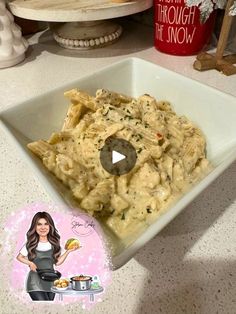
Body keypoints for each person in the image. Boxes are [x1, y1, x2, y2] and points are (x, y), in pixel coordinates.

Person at [16, 211, 79, 301]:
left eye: (46, 224)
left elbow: (57, 263)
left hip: (51, 280)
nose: (43, 227)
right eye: (39, 224)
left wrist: (68, 251)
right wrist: (30, 263)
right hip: (35, 282)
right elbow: (19, 257)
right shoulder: (30, 244)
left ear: (50, 226)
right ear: (35, 227)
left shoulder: (54, 244)